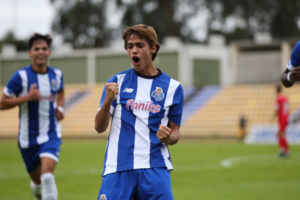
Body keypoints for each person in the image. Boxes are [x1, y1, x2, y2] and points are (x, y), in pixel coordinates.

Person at [94, 24, 184, 200]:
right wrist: (107, 101)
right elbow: (99, 127)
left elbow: (175, 133)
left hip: (155, 168)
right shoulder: (116, 82)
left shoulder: (173, 88)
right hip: (118, 167)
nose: (134, 51)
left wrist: (168, 138)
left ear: (153, 48)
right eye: (130, 46)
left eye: (140, 46)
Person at [0, 33, 64, 200]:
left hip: (51, 134)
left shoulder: (56, 75)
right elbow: (2, 102)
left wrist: (61, 108)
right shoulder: (20, 77)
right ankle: (37, 193)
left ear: (49, 52)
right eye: (37, 49)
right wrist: (26, 98)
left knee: (48, 176)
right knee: (37, 182)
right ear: (30, 53)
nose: (40, 52)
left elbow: (61, 90)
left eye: (44, 48)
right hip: (28, 139)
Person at [273, 85, 290, 157]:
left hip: (282, 118)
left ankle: (286, 151)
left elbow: (277, 109)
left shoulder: (279, 98)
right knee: (280, 134)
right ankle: (283, 150)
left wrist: (273, 115)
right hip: (286, 117)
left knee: (281, 134)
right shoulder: (285, 97)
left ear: (277, 90)